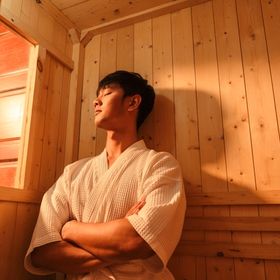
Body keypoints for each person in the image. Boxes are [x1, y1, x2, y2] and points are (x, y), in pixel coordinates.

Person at [24, 70, 186, 279]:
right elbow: (42, 253)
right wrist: (120, 246)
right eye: (97, 96)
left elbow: (137, 241)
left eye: (107, 94)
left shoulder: (160, 165)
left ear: (133, 102)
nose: (95, 101)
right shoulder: (73, 173)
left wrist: (71, 229)